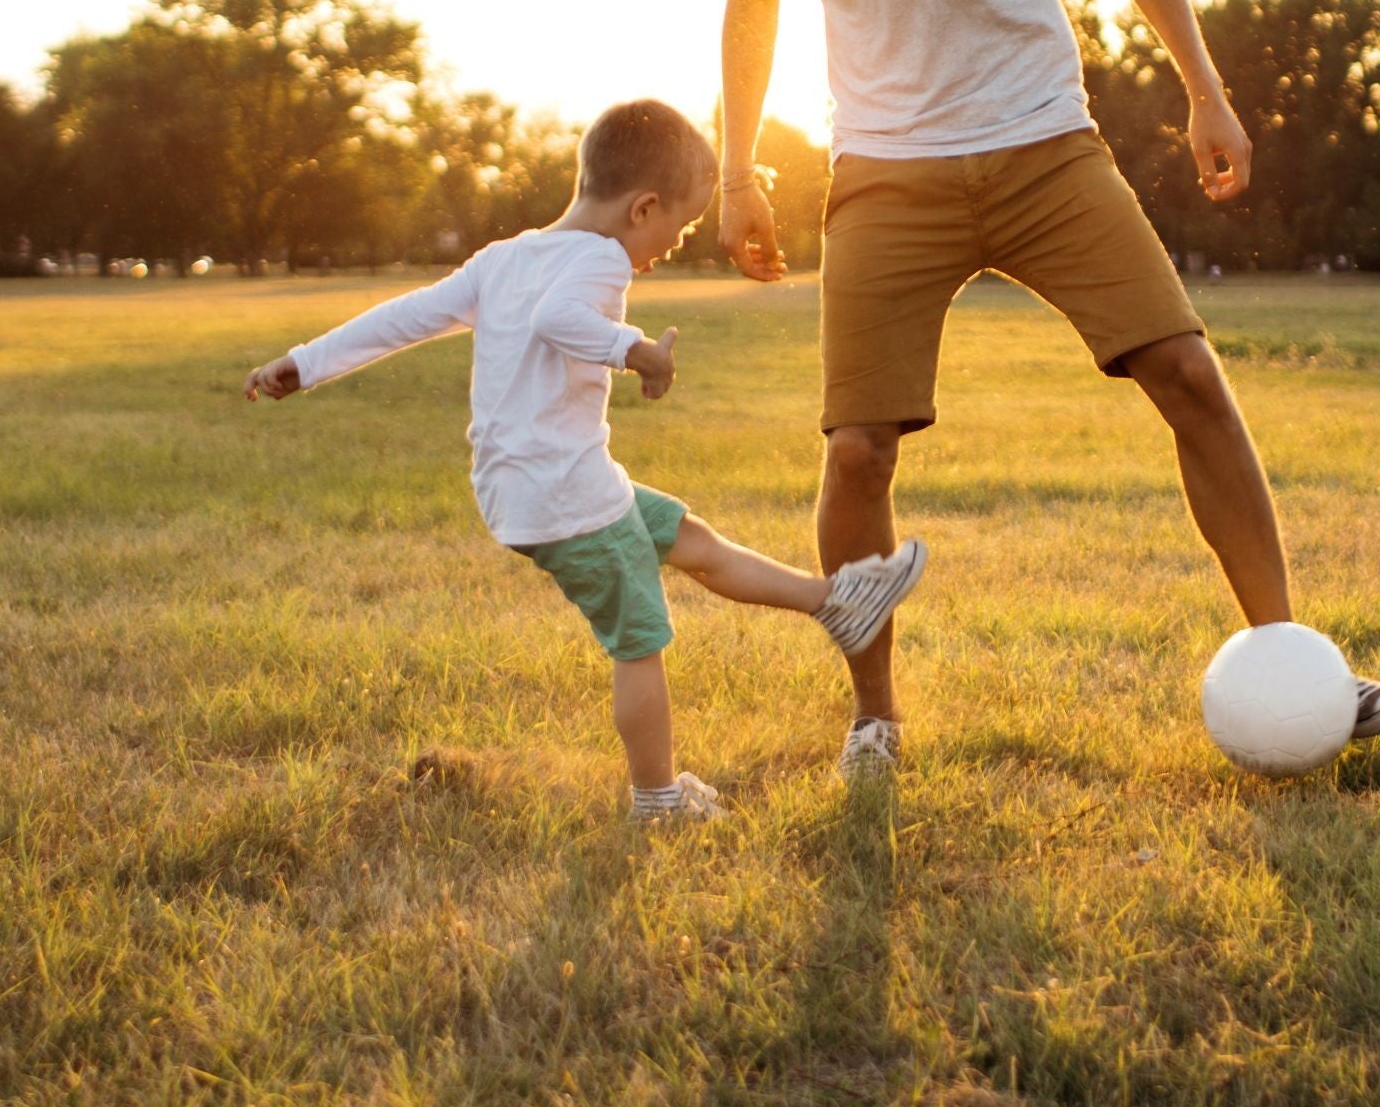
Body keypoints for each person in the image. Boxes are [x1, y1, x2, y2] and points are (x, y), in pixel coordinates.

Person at [716, 0, 1380, 779]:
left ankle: (1296, 662)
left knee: (1189, 375)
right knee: (855, 452)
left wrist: (1203, 86)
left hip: (1046, 143)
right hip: (886, 170)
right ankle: (873, 715)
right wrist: (734, 165)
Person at [246, 100, 929, 822]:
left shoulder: (503, 257)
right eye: (681, 225)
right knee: (639, 638)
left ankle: (836, 604)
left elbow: (407, 317)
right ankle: (658, 799)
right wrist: (634, 350)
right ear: (644, 207)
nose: (675, 241)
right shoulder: (601, 258)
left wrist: (305, 362)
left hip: (532, 487)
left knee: (686, 536)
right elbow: (559, 321)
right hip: (565, 495)